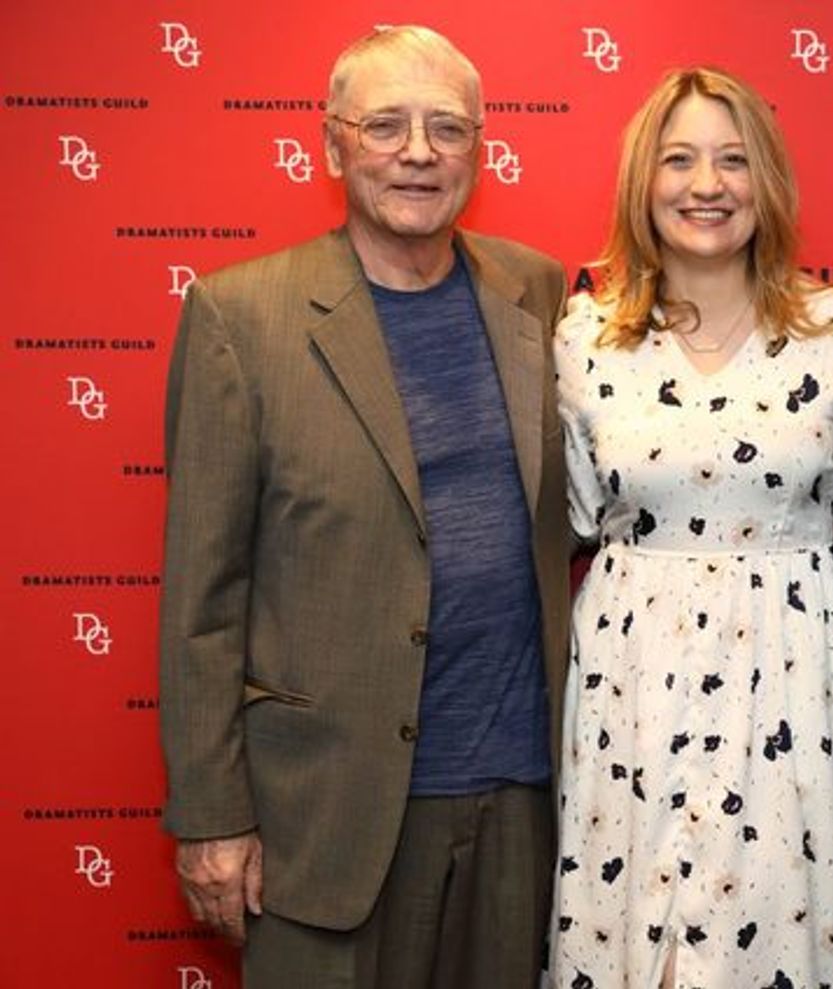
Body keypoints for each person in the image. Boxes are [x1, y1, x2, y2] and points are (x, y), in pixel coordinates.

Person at [158, 25, 570, 989]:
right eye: (385, 125)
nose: (418, 152)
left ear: (480, 149)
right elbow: (202, 599)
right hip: (323, 814)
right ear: (333, 145)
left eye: (447, 128)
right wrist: (213, 815)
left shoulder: (538, 291)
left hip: (520, 795)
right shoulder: (239, 317)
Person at [547, 67, 833, 988]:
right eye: (680, 160)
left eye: (733, 160)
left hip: (791, 684)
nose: (707, 184)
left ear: (766, 179)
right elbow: (573, 512)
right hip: (633, 687)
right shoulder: (585, 337)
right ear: (643, 180)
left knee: (781, 942)